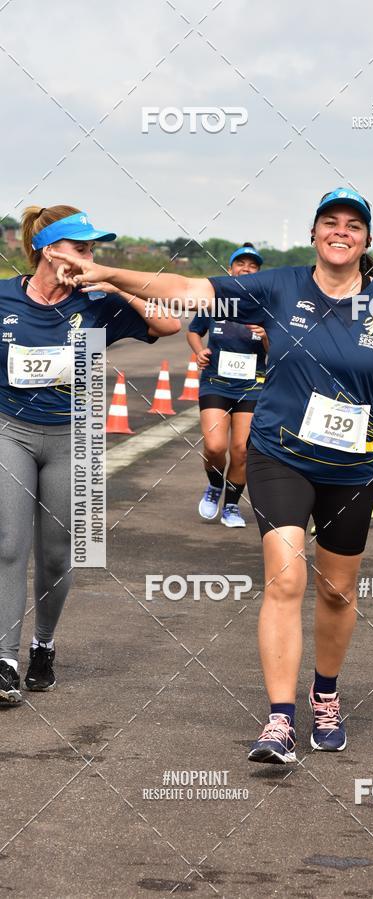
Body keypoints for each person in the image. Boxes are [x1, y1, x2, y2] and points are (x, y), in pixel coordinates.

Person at [51, 187, 373, 765]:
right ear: (313, 234)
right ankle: (280, 719)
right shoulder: (277, 287)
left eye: (353, 225)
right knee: (285, 581)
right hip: (279, 454)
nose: (341, 232)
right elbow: (186, 292)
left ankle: (326, 693)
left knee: (337, 591)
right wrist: (103, 271)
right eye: (329, 222)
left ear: (365, 240)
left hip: (353, 467)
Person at [0, 205, 180, 706]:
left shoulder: (96, 302)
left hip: (72, 437)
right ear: (48, 249)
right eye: (81, 248)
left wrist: (116, 285)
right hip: (9, 432)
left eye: (92, 249)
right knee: (9, 544)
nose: (89, 257)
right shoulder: (3, 299)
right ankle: (4, 660)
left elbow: (167, 325)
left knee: (57, 554)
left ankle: (43, 647)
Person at [186, 243, 268, 527]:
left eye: (252, 266)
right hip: (216, 383)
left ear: (258, 272)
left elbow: (280, 349)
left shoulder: (265, 305)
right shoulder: (216, 301)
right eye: (241, 264)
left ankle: (231, 506)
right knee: (214, 446)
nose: (246, 269)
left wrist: (266, 335)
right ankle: (214, 486)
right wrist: (199, 351)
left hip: (253, 386)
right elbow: (194, 332)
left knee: (242, 450)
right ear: (230, 269)